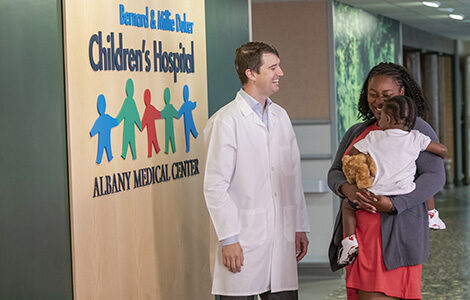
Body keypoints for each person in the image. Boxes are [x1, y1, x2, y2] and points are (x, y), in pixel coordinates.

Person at [328, 62, 446, 300]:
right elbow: (335, 172)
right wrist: (348, 189)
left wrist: (394, 204)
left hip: (398, 233)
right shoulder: (357, 131)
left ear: (401, 93)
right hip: (359, 237)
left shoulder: (416, 129)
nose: (378, 101)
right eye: (373, 94)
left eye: (386, 94)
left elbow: (434, 177)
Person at [203, 41, 310, 300]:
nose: (280, 73)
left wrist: (298, 225)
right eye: (273, 67)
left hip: (280, 236)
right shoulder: (226, 121)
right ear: (251, 73)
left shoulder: (280, 116)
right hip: (242, 239)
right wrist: (228, 238)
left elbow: (292, 176)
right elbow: (215, 186)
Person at [338, 95, 447, 266]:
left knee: (347, 206)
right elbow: (442, 150)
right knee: (423, 184)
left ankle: (350, 242)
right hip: (405, 190)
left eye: (381, 117)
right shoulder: (416, 137)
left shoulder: (373, 137)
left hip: (376, 192)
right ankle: (432, 215)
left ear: (387, 119)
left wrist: (365, 162)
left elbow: (352, 153)